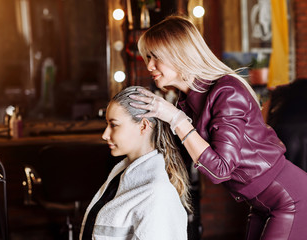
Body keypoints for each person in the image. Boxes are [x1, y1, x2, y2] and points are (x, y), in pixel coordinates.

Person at [129, 15, 307, 240]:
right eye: (147, 57)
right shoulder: (185, 103)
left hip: (290, 199)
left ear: (179, 54)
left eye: (155, 57)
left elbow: (220, 169)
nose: (149, 66)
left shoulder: (227, 92)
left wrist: (175, 118)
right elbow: (174, 159)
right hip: (259, 203)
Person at [79, 86, 191, 240]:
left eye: (113, 125)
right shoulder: (120, 175)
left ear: (144, 126)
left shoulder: (157, 194)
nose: (105, 135)